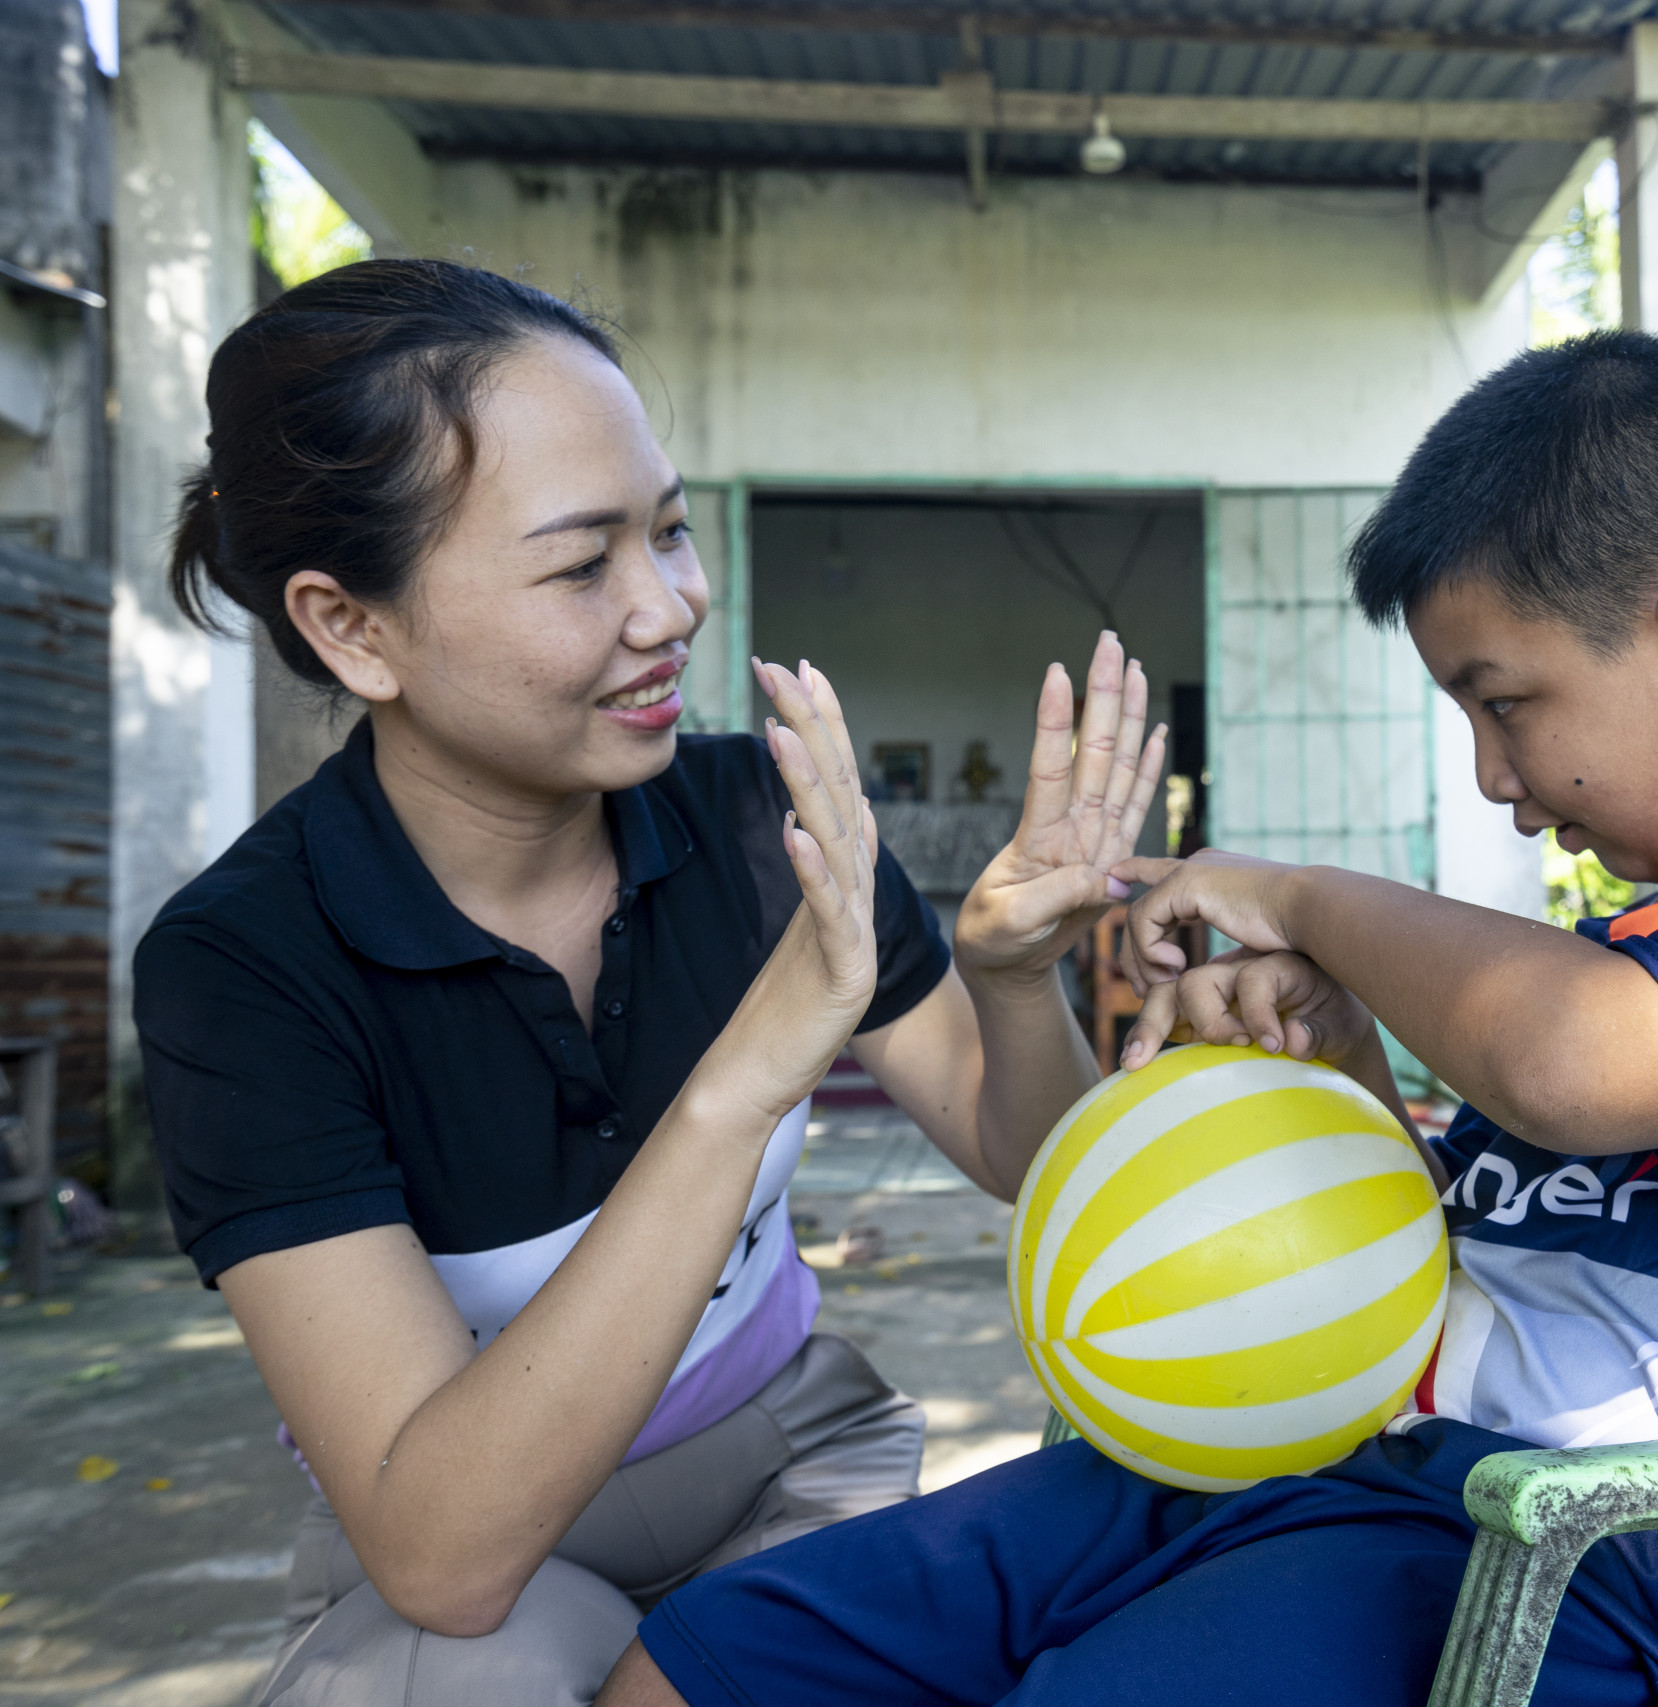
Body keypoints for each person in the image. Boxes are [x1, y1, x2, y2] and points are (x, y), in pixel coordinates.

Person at [597, 331, 1658, 1707]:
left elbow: (1569, 1064)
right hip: (1369, 1468)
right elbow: (1483, 1250)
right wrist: (1346, 1049)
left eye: (1503, 703)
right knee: (719, 1658)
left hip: (1645, 1597)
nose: (1491, 779)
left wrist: (1307, 900)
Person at [135, 258, 1165, 1707]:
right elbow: (443, 1556)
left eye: (671, 532)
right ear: (350, 627)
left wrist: (1008, 980)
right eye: (581, 563)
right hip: (481, 1537)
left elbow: (1031, 1159)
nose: (668, 606)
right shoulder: (245, 966)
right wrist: (743, 1081)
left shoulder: (763, 820)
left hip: (793, 1456)